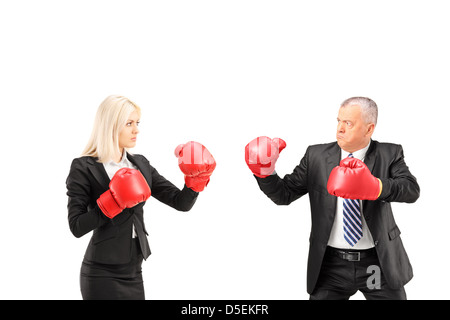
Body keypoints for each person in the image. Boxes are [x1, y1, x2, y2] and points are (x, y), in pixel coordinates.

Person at [245, 97, 420, 300]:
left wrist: (375, 187)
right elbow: (284, 194)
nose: (340, 129)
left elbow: (411, 189)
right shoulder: (316, 155)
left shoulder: (389, 153)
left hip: (376, 263)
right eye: (338, 121)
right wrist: (265, 172)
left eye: (348, 123)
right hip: (331, 265)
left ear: (369, 129)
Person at [66, 95, 216, 300]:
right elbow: (76, 226)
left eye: (137, 123)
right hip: (101, 274)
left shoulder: (141, 164)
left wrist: (196, 180)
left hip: (134, 271)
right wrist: (113, 201)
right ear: (110, 125)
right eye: (129, 123)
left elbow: (180, 203)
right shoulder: (83, 167)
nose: (136, 130)